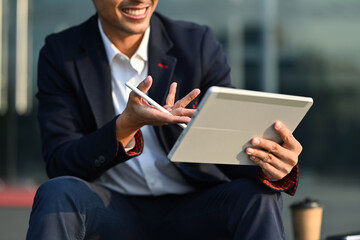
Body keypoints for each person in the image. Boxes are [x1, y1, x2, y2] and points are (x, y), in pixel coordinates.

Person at [26, 0, 302, 239]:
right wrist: (125, 126)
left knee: (258, 196)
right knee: (57, 191)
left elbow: (228, 145)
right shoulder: (61, 54)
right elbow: (61, 162)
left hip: (194, 209)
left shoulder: (196, 44)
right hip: (112, 210)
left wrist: (272, 165)